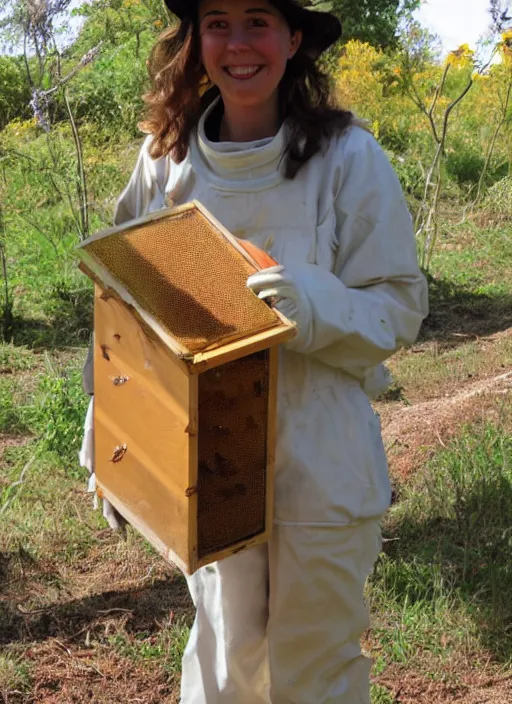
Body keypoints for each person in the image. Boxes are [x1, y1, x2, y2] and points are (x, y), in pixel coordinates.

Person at [80, 1, 429, 701]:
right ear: (196, 41)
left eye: (257, 20)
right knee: (224, 661)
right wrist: (109, 414)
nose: (239, 44)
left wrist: (315, 303)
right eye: (219, 23)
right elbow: (125, 302)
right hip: (204, 457)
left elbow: (399, 304)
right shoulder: (166, 162)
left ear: (293, 37)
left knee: (315, 664)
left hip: (320, 451)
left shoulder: (349, 159)